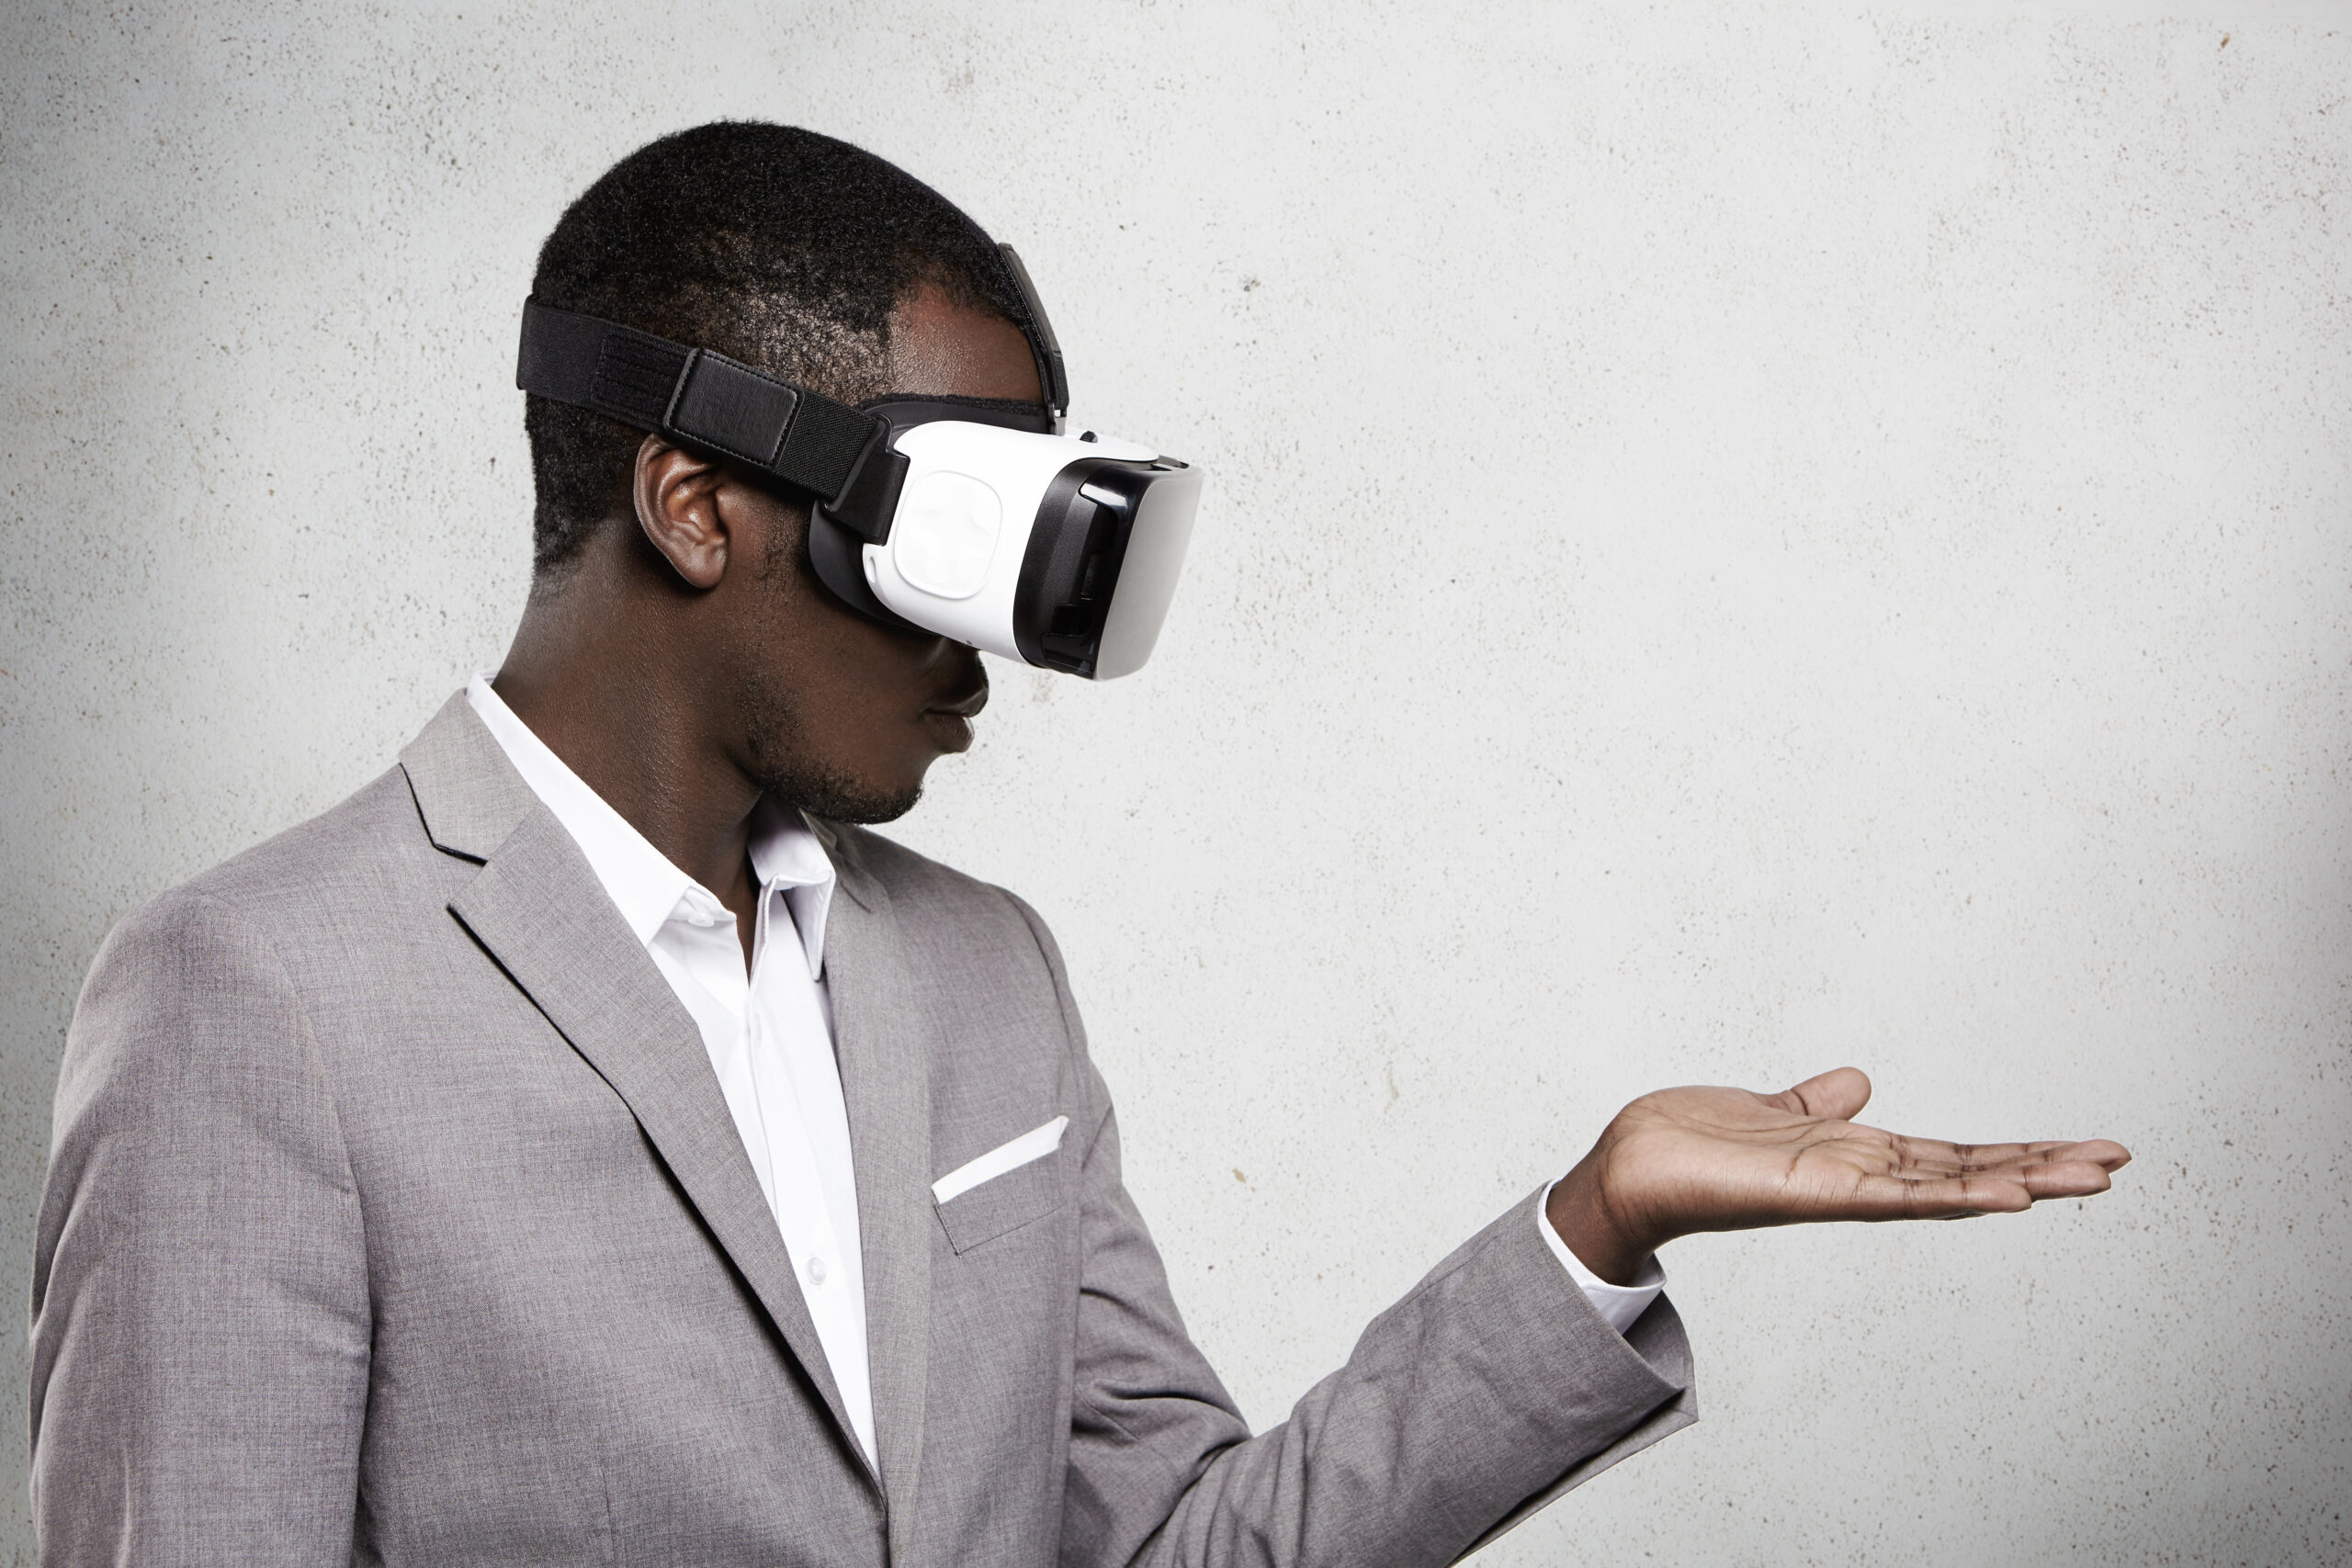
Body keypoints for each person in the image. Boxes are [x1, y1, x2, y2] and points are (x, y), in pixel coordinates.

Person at [28, 123, 2130, 1568]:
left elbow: (1180, 1543)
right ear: (697, 503)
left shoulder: (980, 976)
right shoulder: (258, 998)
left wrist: (1589, 1222)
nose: (1004, 657)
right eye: (962, 539)